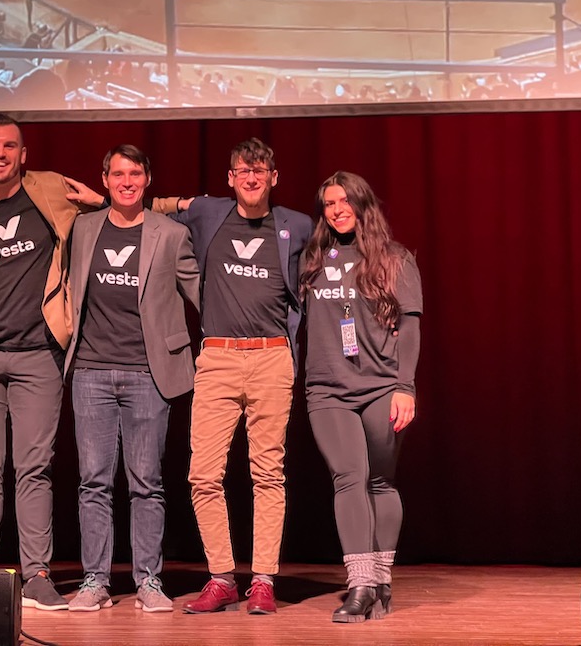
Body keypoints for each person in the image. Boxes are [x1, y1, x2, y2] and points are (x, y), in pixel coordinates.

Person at [0, 114, 183, 610]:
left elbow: (120, 201)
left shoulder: (49, 191)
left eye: (11, 145)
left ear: (24, 154)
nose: (1, 153)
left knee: (35, 469)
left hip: (40, 354)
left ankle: (36, 575)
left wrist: (177, 205)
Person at [176, 138, 312, 615]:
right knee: (203, 474)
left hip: (273, 358)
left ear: (274, 177)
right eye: (242, 170)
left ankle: (263, 581)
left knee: (266, 473)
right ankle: (221, 577)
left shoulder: (296, 226)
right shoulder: (208, 215)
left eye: (260, 170)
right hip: (217, 357)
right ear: (230, 178)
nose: (251, 178)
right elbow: (147, 212)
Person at [64, 145, 199, 613]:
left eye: (135, 173)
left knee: (147, 481)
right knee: (94, 482)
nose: (126, 181)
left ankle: (148, 581)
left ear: (147, 179)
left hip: (149, 374)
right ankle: (95, 581)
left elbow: (200, 291)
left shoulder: (172, 234)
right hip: (91, 373)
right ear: (104, 180)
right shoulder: (82, 229)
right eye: (118, 174)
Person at [299, 171, 422, 623]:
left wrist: (405, 387)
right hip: (327, 389)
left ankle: (382, 579)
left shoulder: (395, 259)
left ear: (363, 204)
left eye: (345, 200)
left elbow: (409, 326)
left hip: (381, 388)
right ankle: (360, 584)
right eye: (329, 203)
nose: (337, 209)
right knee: (349, 477)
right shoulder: (311, 258)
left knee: (380, 482)